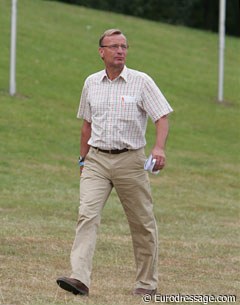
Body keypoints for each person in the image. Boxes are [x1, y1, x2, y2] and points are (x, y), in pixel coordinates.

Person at [56, 29, 173, 297]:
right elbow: (86, 124)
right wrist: (83, 160)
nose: (120, 51)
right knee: (87, 214)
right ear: (102, 52)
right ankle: (79, 279)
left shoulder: (141, 82)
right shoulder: (91, 83)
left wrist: (159, 147)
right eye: (114, 46)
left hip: (130, 161)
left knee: (142, 223)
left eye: (124, 46)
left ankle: (146, 284)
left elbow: (162, 116)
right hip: (96, 160)